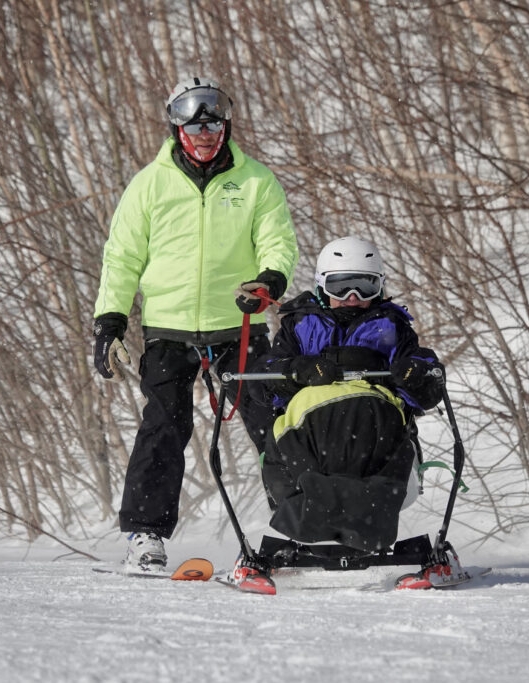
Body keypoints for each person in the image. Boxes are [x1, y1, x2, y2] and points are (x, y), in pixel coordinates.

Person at [92, 76, 298, 572]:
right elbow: (122, 257)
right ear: (177, 129)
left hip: (240, 325)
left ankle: (300, 523)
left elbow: (279, 242)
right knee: (163, 427)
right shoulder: (150, 183)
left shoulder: (256, 181)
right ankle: (145, 535)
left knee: (274, 424)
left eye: (214, 124)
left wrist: (270, 279)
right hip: (169, 327)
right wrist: (111, 319)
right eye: (194, 125)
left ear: (225, 126)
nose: (205, 134)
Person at [226, 236, 446, 588]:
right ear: (321, 285)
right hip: (310, 435)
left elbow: (425, 377)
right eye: (341, 287)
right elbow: (263, 379)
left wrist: (415, 372)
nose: (353, 298)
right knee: (301, 424)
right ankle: (317, 501)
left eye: (364, 286)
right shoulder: (299, 325)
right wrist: (300, 369)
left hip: (375, 431)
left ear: (380, 287)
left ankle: (354, 503)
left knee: (377, 417)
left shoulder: (392, 327)